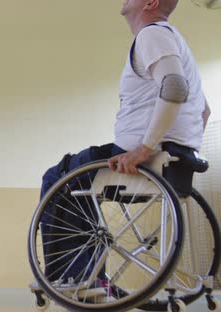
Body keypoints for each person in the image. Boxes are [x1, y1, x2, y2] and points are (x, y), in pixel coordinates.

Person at [39, 0, 211, 282]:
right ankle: (90, 275)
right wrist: (181, 147)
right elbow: (204, 111)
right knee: (76, 180)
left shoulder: (152, 34)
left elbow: (175, 86)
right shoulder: (173, 42)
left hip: (141, 156)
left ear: (151, 2)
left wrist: (145, 148)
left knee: (58, 177)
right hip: (173, 159)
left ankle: (76, 280)